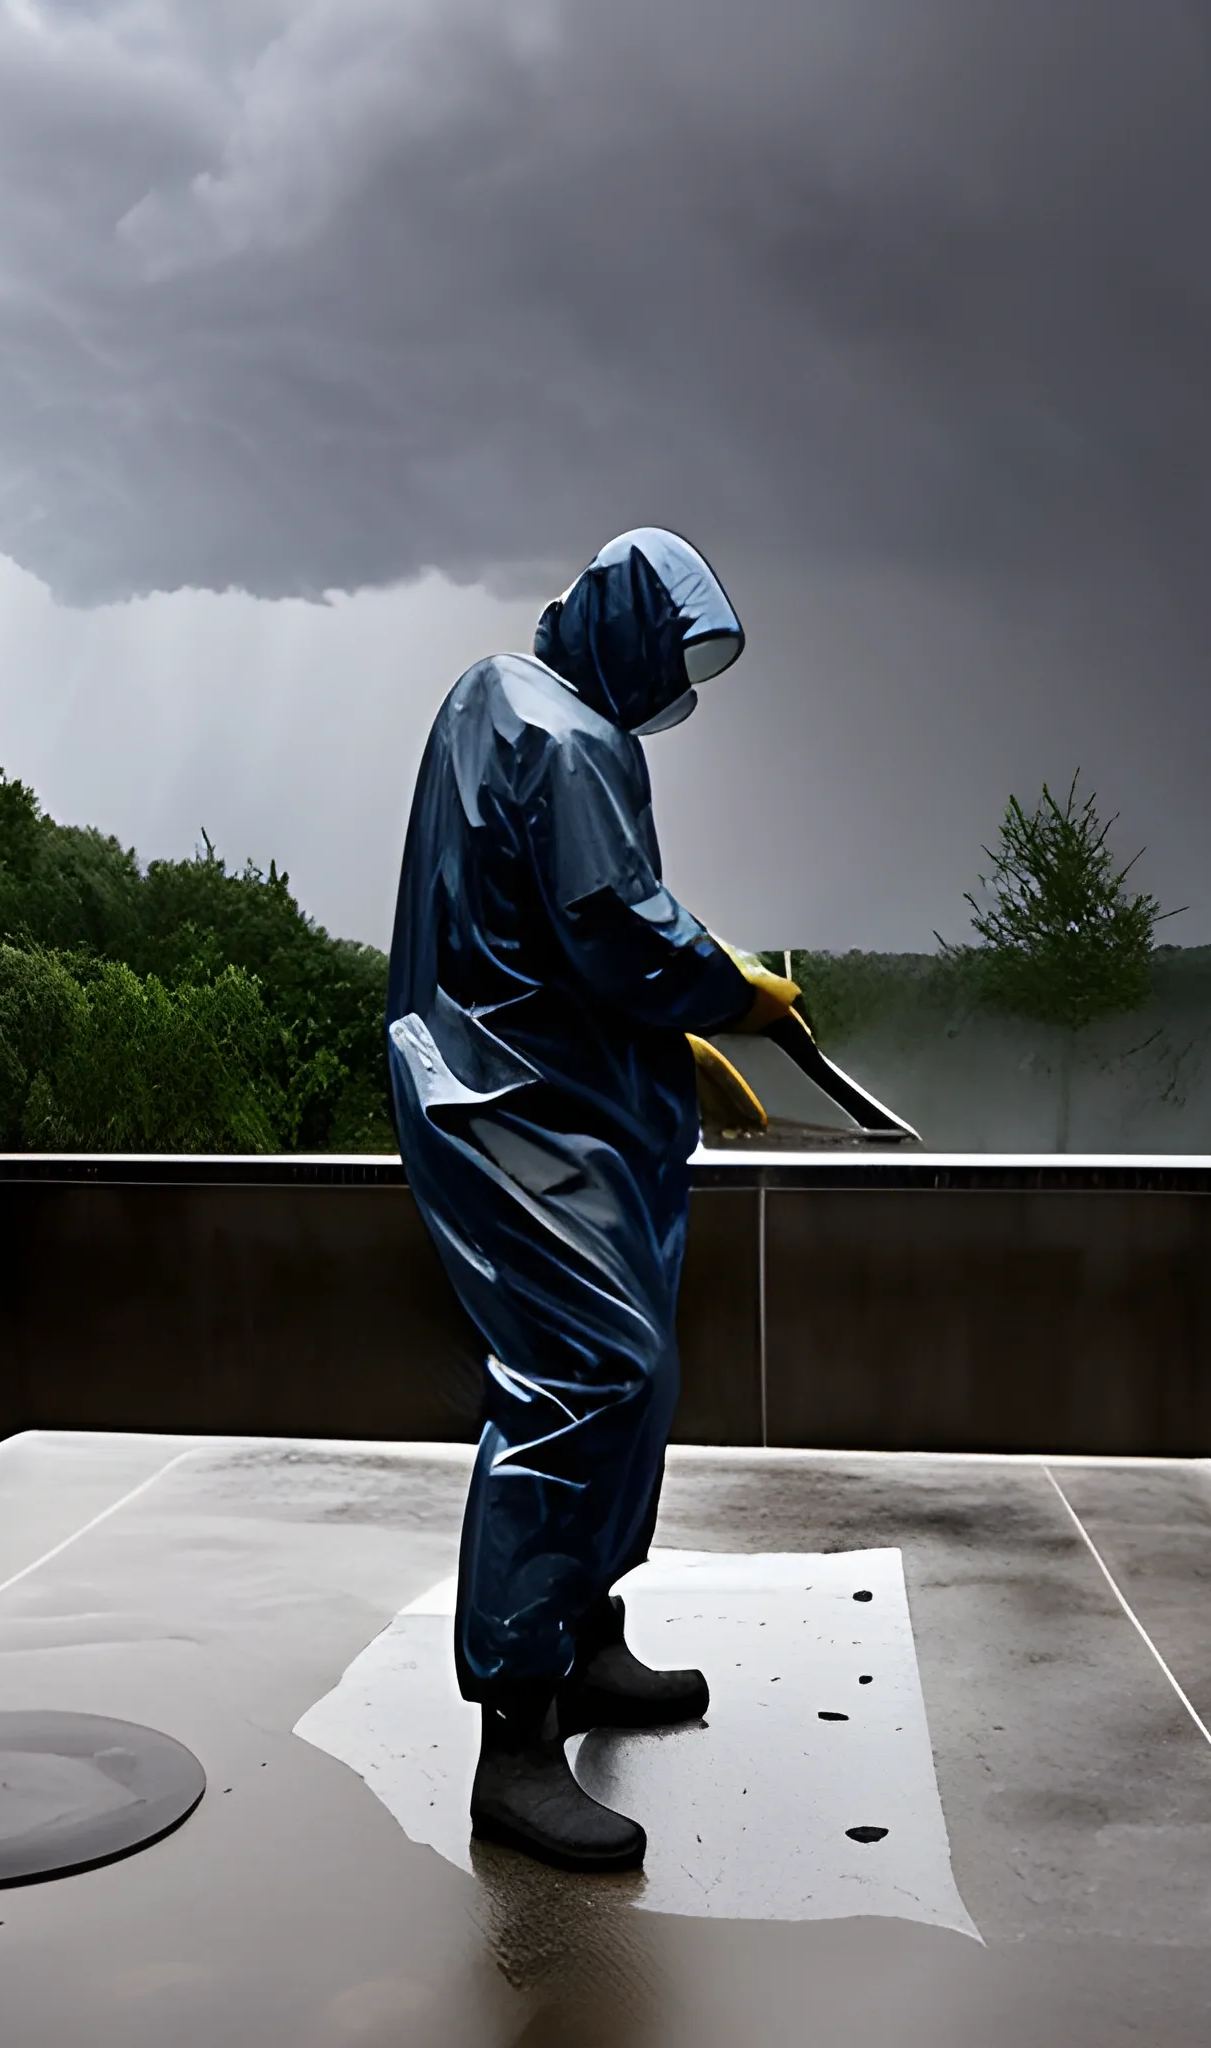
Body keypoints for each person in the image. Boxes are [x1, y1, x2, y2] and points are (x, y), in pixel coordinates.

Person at [386, 528, 800, 1872]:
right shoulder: (558, 734)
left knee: (640, 1370)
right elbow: (614, 924)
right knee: (587, 1376)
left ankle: (587, 1634)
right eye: (668, 660)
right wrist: (732, 993)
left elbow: (524, 925)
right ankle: (517, 1735)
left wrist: (666, 1050)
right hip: (512, 1102)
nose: (671, 694)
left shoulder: (501, 697)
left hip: (562, 1088)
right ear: (626, 627)